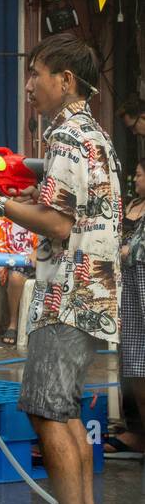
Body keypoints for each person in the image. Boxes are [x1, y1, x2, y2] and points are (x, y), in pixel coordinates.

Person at [0, 34, 119, 504]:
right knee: (62, 408)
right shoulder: (87, 132)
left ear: (65, 80)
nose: (29, 85)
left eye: (37, 74)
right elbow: (62, 199)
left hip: (68, 292)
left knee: (48, 409)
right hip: (82, 290)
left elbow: (57, 222)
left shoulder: (70, 134)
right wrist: (19, 175)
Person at [109, 161, 145, 459]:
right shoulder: (131, 204)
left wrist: (127, 250)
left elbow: (132, 248)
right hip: (129, 292)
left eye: (141, 174)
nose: (135, 178)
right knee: (132, 365)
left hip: (141, 284)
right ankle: (136, 431)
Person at [0, 216, 35, 347]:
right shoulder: (3, 222)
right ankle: (13, 323)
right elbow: (0, 252)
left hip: (44, 261)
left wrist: (36, 255)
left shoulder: (40, 216)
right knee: (16, 277)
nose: (20, 195)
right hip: (16, 264)